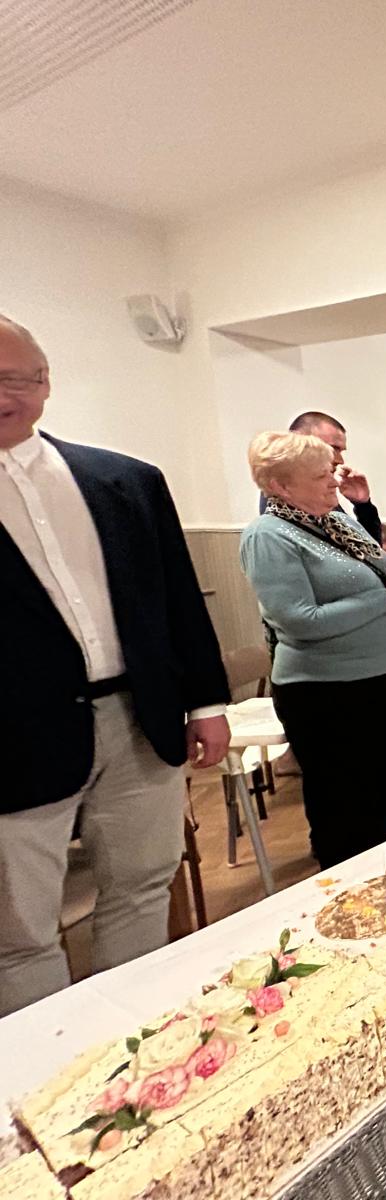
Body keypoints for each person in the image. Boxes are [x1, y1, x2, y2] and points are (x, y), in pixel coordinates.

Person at [0, 315, 231, 1016]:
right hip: (12, 739)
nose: (3, 396)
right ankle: (46, 1064)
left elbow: (177, 598)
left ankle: (134, 1035)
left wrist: (206, 702)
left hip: (140, 715)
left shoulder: (126, 480)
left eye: (15, 378)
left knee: (143, 885)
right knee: (18, 931)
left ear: (45, 383)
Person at [241, 431, 386, 869]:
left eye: (331, 470)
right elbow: (300, 620)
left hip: (380, 679)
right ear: (281, 486)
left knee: (383, 800)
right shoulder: (268, 535)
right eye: (321, 475)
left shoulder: (335, 521)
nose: (333, 480)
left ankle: (381, 883)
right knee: (344, 813)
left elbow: (380, 569)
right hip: (329, 693)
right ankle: (347, 892)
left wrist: (362, 506)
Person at [256, 410, 383, 542]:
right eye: (333, 448)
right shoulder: (285, 496)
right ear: (299, 442)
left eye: (340, 451)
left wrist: (363, 506)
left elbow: (367, 550)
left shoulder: (317, 491)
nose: (340, 460)